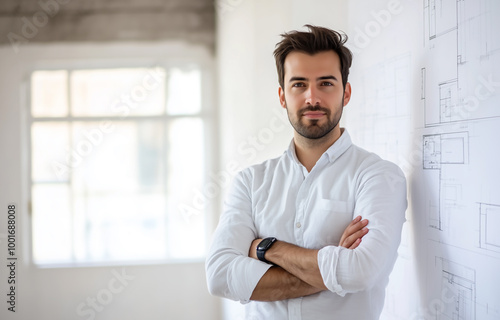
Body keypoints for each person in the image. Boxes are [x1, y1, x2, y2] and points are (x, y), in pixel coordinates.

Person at [205, 25, 407, 320]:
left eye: (326, 83)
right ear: (282, 96)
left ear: (346, 93)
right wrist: (331, 270)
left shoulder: (378, 176)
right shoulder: (250, 182)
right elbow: (220, 276)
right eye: (299, 84)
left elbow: (361, 272)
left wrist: (266, 249)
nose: (312, 98)